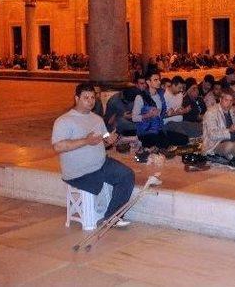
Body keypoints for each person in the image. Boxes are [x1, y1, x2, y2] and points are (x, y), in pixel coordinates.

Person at [52, 82, 135, 227]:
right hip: (80, 171)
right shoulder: (64, 121)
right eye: (86, 97)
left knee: (127, 175)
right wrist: (86, 140)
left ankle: (112, 216)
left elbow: (102, 141)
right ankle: (106, 215)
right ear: (77, 98)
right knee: (105, 182)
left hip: (101, 163)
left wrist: (110, 140)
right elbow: (58, 146)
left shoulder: (96, 119)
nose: (90, 101)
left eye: (92, 97)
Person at [132, 71, 189, 148]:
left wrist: (168, 113)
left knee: (184, 139)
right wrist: (148, 115)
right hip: (146, 131)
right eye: (155, 80)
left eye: (159, 79)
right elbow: (134, 118)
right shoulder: (140, 97)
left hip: (160, 129)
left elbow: (161, 115)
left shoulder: (160, 95)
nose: (159, 82)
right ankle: (139, 141)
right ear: (148, 82)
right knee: (164, 144)